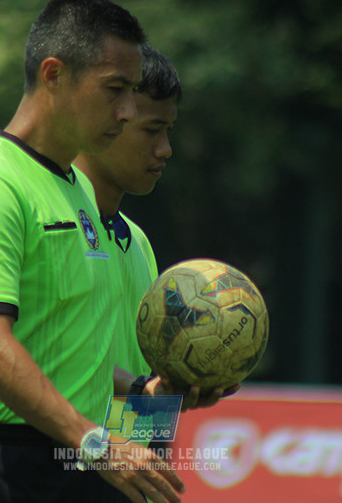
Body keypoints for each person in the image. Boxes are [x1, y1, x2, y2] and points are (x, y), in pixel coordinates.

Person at [0, 0, 185, 503]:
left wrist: (151, 393)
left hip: (79, 457)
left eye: (133, 92)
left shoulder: (81, 195)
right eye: (115, 89)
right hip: (5, 464)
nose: (127, 110)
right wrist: (96, 441)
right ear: (53, 75)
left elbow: (77, 361)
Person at [73, 44, 234, 421]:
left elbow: (134, 416)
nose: (165, 150)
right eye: (152, 131)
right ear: (109, 119)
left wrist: (163, 400)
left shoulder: (137, 240)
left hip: (108, 468)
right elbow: (38, 355)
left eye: (169, 130)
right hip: (46, 463)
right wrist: (135, 392)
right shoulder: (53, 222)